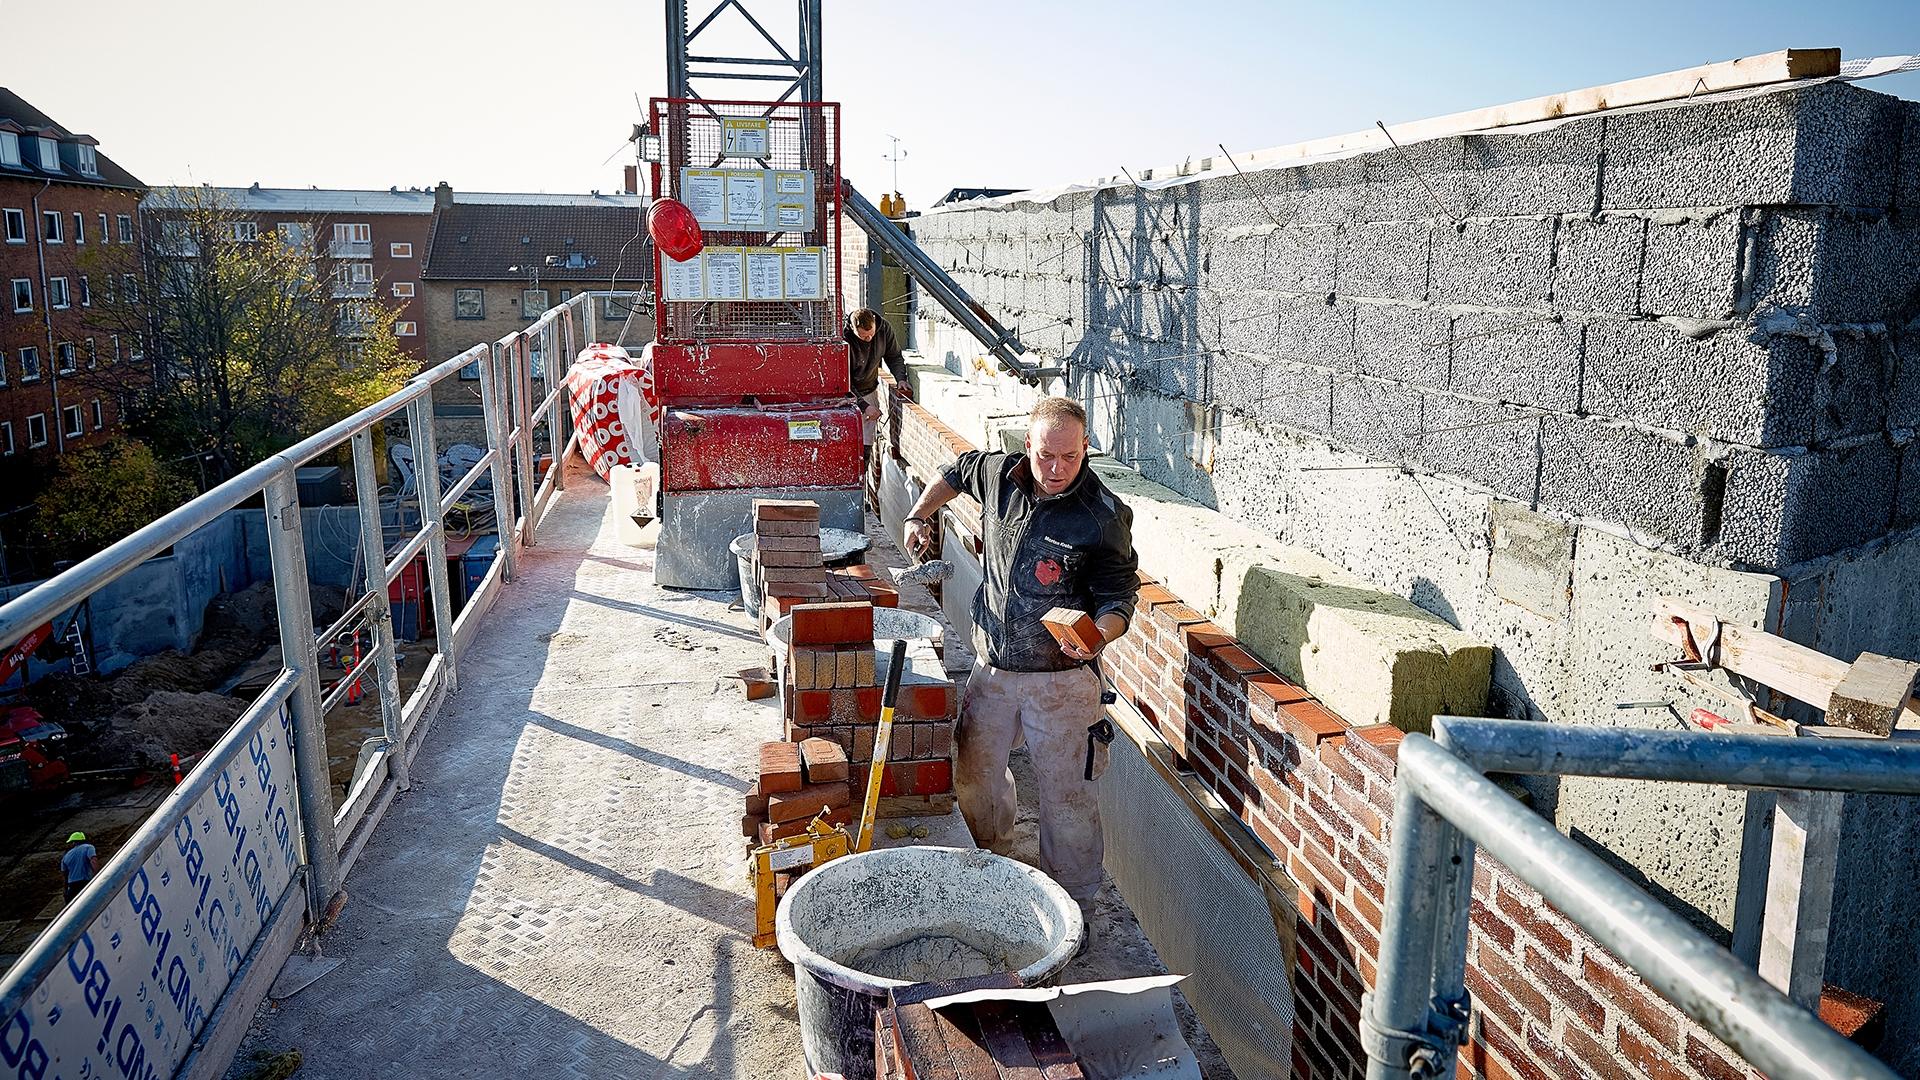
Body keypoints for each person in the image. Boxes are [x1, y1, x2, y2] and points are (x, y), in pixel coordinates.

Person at [901, 396, 1137, 913]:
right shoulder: (997, 475)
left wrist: (1098, 633)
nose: (1056, 470)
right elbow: (956, 471)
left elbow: (1120, 595)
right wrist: (919, 515)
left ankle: (1074, 909)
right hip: (993, 671)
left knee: (1068, 801)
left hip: (1062, 681)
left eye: (1070, 458)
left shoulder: (1102, 516)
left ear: (1086, 451)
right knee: (975, 777)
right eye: (1046, 456)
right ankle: (991, 869)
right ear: (1025, 446)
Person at [845, 308, 912, 450]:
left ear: (875, 323)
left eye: (871, 335)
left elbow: (894, 356)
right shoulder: (844, 338)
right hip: (848, 392)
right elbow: (844, 380)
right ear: (853, 329)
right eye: (863, 337)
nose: (869, 339)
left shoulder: (884, 329)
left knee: (867, 439)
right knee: (850, 441)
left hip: (869, 388)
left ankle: (864, 467)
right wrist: (863, 406)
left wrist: (900, 378)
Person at [61, 831, 97, 902]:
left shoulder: (66, 856)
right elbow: (93, 861)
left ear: (74, 842)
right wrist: (97, 876)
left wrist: (65, 890)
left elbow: (65, 875)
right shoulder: (88, 847)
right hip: (85, 883)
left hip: (72, 887)